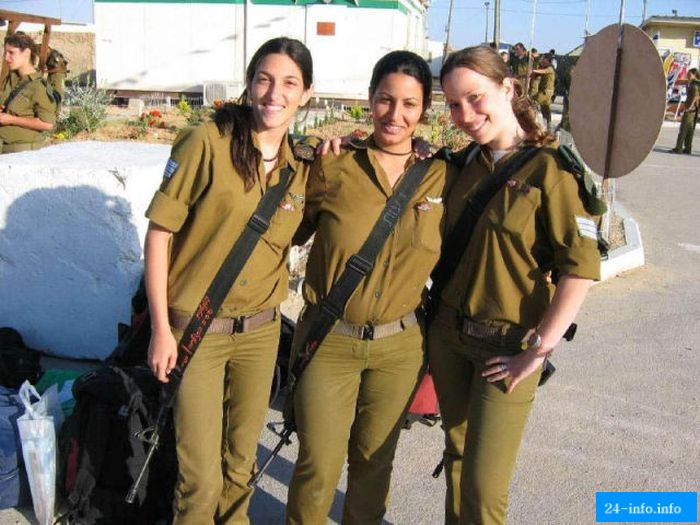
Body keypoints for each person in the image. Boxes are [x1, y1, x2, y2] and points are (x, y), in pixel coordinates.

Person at [144, 37, 314, 524]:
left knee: (241, 468)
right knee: (200, 479)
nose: (274, 93)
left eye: (289, 83)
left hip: (260, 333)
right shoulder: (207, 142)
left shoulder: (302, 165)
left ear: (307, 93)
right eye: (264, 79)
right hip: (197, 331)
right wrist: (160, 329)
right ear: (249, 82)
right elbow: (159, 235)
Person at [431, 45, 601, 525]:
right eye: (454, 104)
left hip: (506, 347)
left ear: (508, 88)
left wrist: (538, 350)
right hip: (446, 337)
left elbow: (580, 269)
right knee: (457, 459)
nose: (465, 115)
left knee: (484, 489)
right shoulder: (465, 163)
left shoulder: (551, 169)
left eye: (475, 97)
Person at [286, 50, 452, 525]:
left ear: (425, 109)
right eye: (384, 99)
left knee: (375, 463)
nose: (395, 114)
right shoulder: (334, 164)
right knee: (318, 465)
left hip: (399, 347)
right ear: (369, 98)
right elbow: (284, 226)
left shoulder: (443, 174)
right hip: (329, 340)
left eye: (409, 104)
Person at [0, 32, 57, 153]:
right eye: (5, 53)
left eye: (11, 53)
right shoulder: (11, 80)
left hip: (23, 152)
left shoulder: (38, 86)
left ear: (26, 53)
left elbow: (47, 124)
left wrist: (11, 119)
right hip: (4, 149)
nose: (6, 58)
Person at [670, 68, 699, 155]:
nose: (688, 76)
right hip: (694, 110)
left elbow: (695, 97)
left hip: (690, 110)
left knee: (683, 130)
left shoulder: (694, 85)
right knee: (690, 130)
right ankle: (687, 148)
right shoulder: (692, 83)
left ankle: (678, 148)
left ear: (694, 75)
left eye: (689, 74)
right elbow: (689, 94)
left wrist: (689, 107)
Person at [531, 53, 556, 130]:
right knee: (545, 109)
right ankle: (548, 126)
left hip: (546, 92)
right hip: (545, 91)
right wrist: (536, 60)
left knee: (533, 102)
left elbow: (544, 71)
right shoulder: (544, 66)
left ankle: (533, 122)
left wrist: (534, 70)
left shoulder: (550, 67)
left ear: (547, 59)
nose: (542, 60)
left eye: (544, 58)